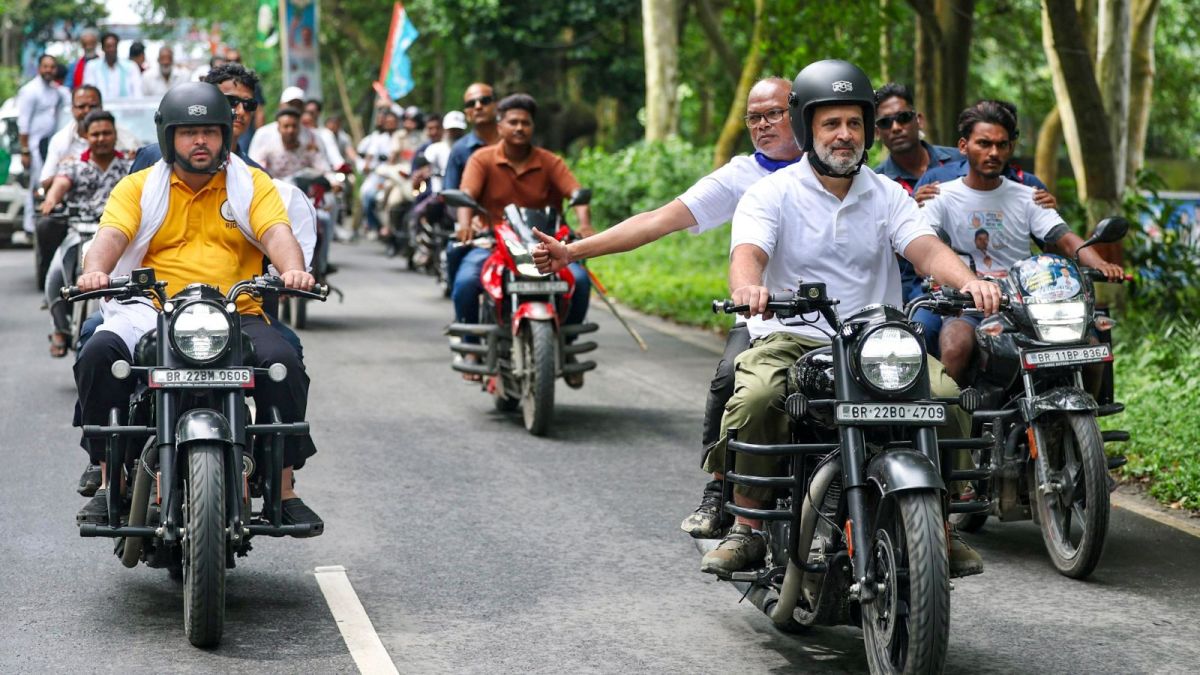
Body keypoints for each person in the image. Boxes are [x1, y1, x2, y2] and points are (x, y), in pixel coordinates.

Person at [697, 60, 1001, 579]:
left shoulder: (886, 194)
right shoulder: (770, 194)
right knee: (759, 397)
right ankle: (746, 525)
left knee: (946, 399)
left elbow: (924, 246)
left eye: (855, 123)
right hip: (791, 335)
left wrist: (965, 280)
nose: (845, 135)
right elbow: (748, 251)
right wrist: (749, 287)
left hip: (875, 341)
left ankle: (940, 527)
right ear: (806, 130)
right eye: (831, 124)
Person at [531, 77, 803, 538]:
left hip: (844, 320)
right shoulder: (741, 175)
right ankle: (719, 489)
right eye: (753, 117)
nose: (761, 125)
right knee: (729, 378)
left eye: (773, 114)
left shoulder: (843, 169)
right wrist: (574, 252)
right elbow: (659, 220)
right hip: (765, 317)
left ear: (801, 112)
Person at [71, 82, 322, 532]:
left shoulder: (251, 185)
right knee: (97, 354)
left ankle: (283, 488)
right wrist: (95, 271)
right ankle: (110, 478)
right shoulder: (139, 187)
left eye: (210, 131)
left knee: (284, 362)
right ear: (169, 138)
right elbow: (110, 235)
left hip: (235, 308)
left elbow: (277, 232)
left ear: (227, 135)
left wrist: (292, 270)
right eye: (188, 132)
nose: (200, 141)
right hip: (151, 308)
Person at [918, 100, 1123, 387]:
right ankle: (958, 426)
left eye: (1002, 145)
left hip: (1028, 304)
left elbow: (1063, 237)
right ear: (963, 146)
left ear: (1010, 149)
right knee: (954, 347)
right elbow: (926, 243)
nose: (993, 152)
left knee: (1088, 344)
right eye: (984, 143)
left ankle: (1087, 415)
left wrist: (1101, 264)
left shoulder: (1028, 196)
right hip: (969, 303)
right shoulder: (940, 196)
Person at [454, 93, 595, 386]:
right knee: (466, 282)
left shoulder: (549, 161)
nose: (520, 128)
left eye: (526, 123)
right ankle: (472, 348)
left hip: (546, 245)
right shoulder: (482, 159)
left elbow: (576, 193)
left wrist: (585, 224)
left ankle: (568, 345)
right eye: (513, 122)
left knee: (580, 281)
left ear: (533, 127)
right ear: (500, 125)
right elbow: (466, 196)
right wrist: (465, 225)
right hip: (493, 243)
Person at [39, 110, 132, 356]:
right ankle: (59, 329)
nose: (101, 138)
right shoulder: (73, 165)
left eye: (106, 133)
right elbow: (60, 184)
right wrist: (51, 200)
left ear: (115, 135)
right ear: (86, 136)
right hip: (77, 234)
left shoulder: (130, 167)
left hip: (116, 236)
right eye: (95, 134)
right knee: (55, 277)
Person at [17, 55, 69, 235]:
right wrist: (25, 151)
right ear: (39, 68)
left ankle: (48, 218)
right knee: (36, 184)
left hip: (50, 144)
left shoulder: (56, 91)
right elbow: (23, 123)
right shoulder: (30, 90)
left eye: (52, 67)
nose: (49, 70)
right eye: (45, 66)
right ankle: (30, 227)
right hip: (33, 146)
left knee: (50, 181)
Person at [443, 82, 500, 190]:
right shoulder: (459, 150)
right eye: (471, 104)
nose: (478, 106)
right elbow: (450, 193)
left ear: (497, 105)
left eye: (485, 101)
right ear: (467, 114)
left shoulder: (511, 142)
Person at [251, 107, 330, 179]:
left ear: (299, 127)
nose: (290, 130)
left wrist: (334, 182)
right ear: (278, 128)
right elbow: (257, 168)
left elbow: (323, 168)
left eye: (294, 126)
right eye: (286, 126)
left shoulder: (307, 148)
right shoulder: (268, 148)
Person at [356, 109, 399, 237]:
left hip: (397, 175)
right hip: (380, 175)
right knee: (367, 195)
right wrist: (367, 166)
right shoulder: (379, 139)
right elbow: (370, 155)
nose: (390, 125)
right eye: (388, 122)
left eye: (393, 122)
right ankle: (375, 225)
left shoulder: (401, 137)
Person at [81, 32, 143, 100]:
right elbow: (89, 92)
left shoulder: (130, 66)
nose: (112, 49)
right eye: (108, 46)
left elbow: (137, 93)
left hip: (126, 109)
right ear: (103, 48)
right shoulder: (92, 66)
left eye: (114, 46)